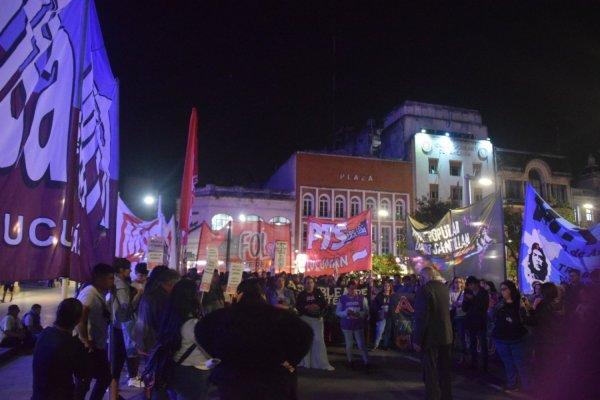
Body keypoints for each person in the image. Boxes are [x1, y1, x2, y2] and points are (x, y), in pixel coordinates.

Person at [195, 278, 313, 400]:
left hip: (235, 378)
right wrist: (290, 360)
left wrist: (220, 354)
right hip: (273, 377)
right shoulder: (279, 316)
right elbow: (306, 333)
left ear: (239, 295)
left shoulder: (224, 316)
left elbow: (201, 331)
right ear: (262, 295)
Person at [152, 279, 213, 400]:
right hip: (194, 372)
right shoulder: (193, 325)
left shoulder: (171, 318)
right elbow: (208, 350)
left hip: (176, 368)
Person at [31, 298, 88, 400]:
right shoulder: (73, 345)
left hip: (38, 395)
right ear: (78, 319)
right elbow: (82, 376)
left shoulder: (44, 334)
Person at [74, 263, 114, 400]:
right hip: (89, 346)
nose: (112, 282)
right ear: (99, 279)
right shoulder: (90, 292)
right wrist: (85, 339)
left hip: (97, 344)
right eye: (110, 278)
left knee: (98, 378)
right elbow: (82, 313)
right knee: (86, 380)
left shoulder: (100, 293)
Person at [412, 266, 453, 400]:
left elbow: (421, 317)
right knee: (444, 371)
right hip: (446, 336)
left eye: (421, 278)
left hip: (430, 339)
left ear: (424, 277)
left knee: (430, 374)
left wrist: (417, 340)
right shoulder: (444, 288)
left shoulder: (424, 290)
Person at [108, 258, 143, 393]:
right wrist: (138, 295)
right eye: (128, 268)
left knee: (119, 356)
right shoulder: (121, 285)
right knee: (119, 356)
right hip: (120, 325)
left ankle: (114, 391)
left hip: (117, 324)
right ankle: (113, 392)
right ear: (121, 270)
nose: (130, 270)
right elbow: (127, 306)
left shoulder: (118, 282)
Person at [491, 280, 530, 392]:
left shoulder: (520, 302)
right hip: (501, 337)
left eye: (504, 289)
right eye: (501, 289)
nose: (502, 292)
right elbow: (493, 317)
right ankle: (512, 383)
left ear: (511, 289)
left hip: (517, 338)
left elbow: (525, 317)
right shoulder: (500, 303)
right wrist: (490, 309)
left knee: (521, 363)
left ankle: (527, 386)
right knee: (508, 363)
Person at [135, 266, 180, 355]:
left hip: (143, 339)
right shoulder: (161, 297)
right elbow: (164, 322)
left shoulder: (150, 292)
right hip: (152, 342)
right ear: (170, 282)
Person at [296, 276, 334, 371]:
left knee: (318, 340)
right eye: (307, 282)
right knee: (306, 340)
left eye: (311, 282)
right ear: (304, 284)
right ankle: (306, 362)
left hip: (317, 319)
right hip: (305, 319)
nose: (309, 284)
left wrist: (317, 306)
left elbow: (324, 303)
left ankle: (319, 362)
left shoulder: (318, 292)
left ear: (314, 283)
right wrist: (307, 307)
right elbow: (298, 306)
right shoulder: (301, 294)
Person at [336, 279, 369, 371]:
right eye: (351, 288)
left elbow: (366, 311)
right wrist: (346, 313)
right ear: (347, 289)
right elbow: (337, 312)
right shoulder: (342, 299)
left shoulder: (362, 298)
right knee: (349, 344)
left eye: (354, 288)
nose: (353, 290)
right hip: (346, 325)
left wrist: (359, 314)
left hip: (358, 324)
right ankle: (350, 361)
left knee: (361, 344)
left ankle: (366, 361)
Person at [462, 276, 489, 372]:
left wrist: (472, 299)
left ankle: (485, 364)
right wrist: (465, 301)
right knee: (472, 343)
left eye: (471, 284)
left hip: (480, 321)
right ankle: (473, 362)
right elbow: (464, 309)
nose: (470, 287)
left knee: (482, 343)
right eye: (468, 285)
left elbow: (483, 307)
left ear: (476, 283)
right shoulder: (468, 293)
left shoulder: (483, 293)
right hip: (471, 321)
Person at [371, 280, 396, 350]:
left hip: (390, 315)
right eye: (385, 286)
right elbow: (375, 305)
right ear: (383, 287)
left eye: (388, 286)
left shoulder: (393, 295)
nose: (387, 287)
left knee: (388, 330)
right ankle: (375, 345)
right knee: (380, 330)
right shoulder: (379, 295)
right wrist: (380, 308)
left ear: (390, 287)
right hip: (382, 315)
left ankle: (386, 345)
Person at [449, 278, 466, 363]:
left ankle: (462, 356)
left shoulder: (464, 292)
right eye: (456, 282)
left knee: (461, 336)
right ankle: (450, 355)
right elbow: (449, 303)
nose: (458, 283)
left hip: (461, 316)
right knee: (450, 335)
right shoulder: (450, 292)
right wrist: (456, 304)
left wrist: (455, 304)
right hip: (452, 315)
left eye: (460, 282)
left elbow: (462, 304)